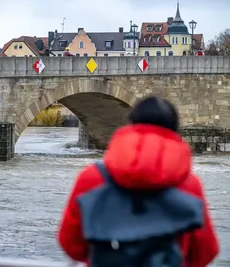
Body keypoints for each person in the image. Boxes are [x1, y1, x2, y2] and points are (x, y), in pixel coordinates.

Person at [57, 96, 219, 267]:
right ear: (174, 129)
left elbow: (70, 243)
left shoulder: (92, 178)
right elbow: (206, 251)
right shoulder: (189, 185)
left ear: (131, 123)